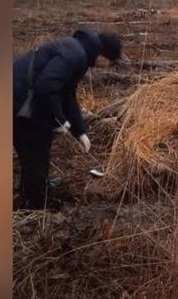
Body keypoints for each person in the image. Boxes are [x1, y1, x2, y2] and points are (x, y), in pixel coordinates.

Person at [12, 28, 122, 207]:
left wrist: (79, 131)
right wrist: (59, 119)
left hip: (26, 98)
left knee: (41, 144)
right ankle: (34, 204)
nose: (107, 67)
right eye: (110, 63)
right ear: (103, 56)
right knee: (35, 150)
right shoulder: (75, 55)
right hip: (17, 99)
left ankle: (37, 188)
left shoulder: (79, 52)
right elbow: (46, 87)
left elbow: (67, 95)